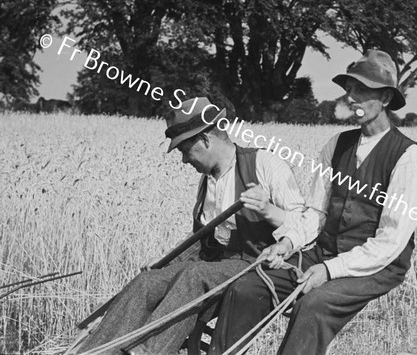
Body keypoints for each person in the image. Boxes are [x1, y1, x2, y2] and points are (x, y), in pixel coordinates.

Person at [208, 50, 417, 355]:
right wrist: (288, 243)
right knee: (247, 288)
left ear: (384, 99)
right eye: (349, 89)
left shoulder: (409, 159)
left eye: (362, 90)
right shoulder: (337, 145)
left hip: (376, 266)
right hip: (323, 252)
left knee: (312, 306)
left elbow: (390, 242)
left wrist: (328, 271)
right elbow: (315, 212)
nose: (351, 97)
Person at [77, 97, 305, 355]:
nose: (184, 160)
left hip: (255, 263)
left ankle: (150, 351)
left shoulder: (265, 164)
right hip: (214, 265)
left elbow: (303, 221)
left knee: (193, 276)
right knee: (146, 282)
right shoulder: (207, 181)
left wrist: (268, 210)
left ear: (206, 140)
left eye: (185, 150)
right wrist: (170, 259)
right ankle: (93, 351)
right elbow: (205, 238)